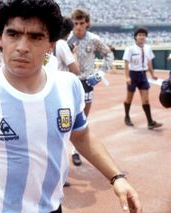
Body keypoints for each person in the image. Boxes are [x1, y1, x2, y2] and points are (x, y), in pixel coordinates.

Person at [0, 1, 142, 213]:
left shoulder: (68, 86)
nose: (22, 47)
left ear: (51, 44)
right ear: (0, 38)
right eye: (13, 34)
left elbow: (81, 135)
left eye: (36, 37)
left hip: (51, 208)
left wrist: (117, 177)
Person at [67, 8, 114, 166]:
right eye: (75, 23)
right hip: (68, 82)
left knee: (82, 118)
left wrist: (100, 74)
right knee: (64, 116)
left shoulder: (94, 39)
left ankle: (75, 150)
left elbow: (109, 54)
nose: (78, 26)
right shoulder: (65, 39)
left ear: (87, 23)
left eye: (82, 23)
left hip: (87, 82)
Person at [122, 27, 162, 129]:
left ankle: (150, 122)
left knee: (146, 100)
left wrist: (152, 74)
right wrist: (127, 77)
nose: (141, 37)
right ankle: (127, 116)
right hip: (133, 75)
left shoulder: (147, 48)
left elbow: (149, 62)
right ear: (135, 37)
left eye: (143, 35)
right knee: (129, 98)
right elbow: (126, 63)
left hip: (143, 76)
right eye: (139, 35)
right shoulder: (130, 49)